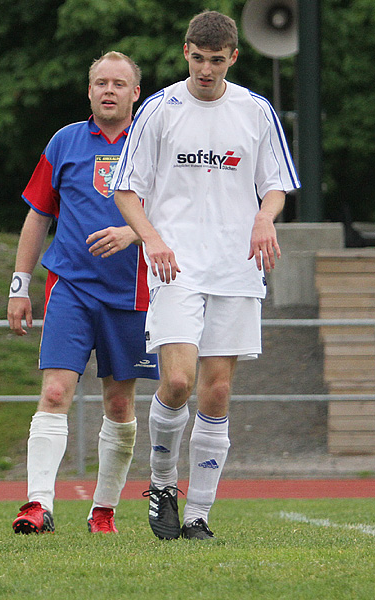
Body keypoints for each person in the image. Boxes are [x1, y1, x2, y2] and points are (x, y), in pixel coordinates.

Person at [111, 10, 300, 540]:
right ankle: (163, 485)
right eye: (198, 58)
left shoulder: (256, 111)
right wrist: (153, 239)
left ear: (233, 58)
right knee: (175, 381)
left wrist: (264, 218)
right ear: (185, 52)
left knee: (215, 393)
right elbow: (127, 188)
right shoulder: (159, 110)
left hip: (237, 269)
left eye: (217, 61)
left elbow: (277, 183)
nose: (206, 70)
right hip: (176, 267)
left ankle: (197, 515)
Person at [9, 51, 159, 535]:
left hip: (132, 294)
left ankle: (104, 510)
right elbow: (37, 214)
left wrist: (133, 235)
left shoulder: (154, 143)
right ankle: (37, 505)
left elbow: (179, 214)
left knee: (119, 404)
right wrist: (19, 284)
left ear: (136, 92)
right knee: (54, 391)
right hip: (69, 287)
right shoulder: (65, 141)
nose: (108, 90)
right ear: (89, 90)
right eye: (100, 83)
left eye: (119, 83)